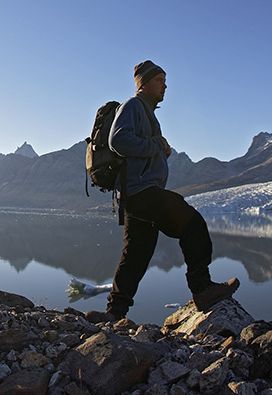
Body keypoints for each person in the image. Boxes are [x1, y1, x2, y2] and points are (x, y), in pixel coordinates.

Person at [85, 60, 239, 323]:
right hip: (141, 191)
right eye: (159, 80)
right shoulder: (134, 105)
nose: (165, 85)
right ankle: (202, 289)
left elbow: (139, 146)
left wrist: (158, 147)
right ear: (143, 84)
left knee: (136, 254)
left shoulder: (147, 112)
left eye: (165, 81)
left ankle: (114, 313)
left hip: (136, 194)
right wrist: (156, 143)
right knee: (192, 224)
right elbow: (118, 140)